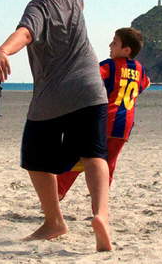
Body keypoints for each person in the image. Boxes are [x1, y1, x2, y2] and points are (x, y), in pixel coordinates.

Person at [0, 0, 112, 252]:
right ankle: (101, 215)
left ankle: (54, 221)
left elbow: (25, 33)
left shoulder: (37, 7)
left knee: (34, 156)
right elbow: (81, 6)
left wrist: (3, 51)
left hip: (54, 96)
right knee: (94, 154)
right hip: (92, 90)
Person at [57, 27, 151, 201]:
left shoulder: (109, 66)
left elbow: (87, 80)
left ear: (126, 50)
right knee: (107, 166)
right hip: (124, 126)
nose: (110, 45)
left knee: (78, 158)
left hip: (103, 121)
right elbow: (146, 83)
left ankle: (58, 193)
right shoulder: (139, 68)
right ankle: (100, 206)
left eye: (115, 43)